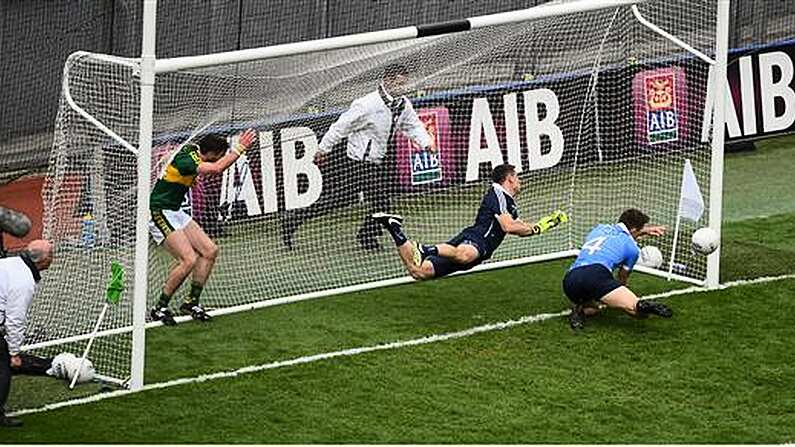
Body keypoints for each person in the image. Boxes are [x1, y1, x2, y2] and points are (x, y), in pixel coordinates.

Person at [281, 63, 433, 251]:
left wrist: (426, 143)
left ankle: (293, 221)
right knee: (381, 201)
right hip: (358, 162)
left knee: (342, 199)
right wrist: (323, 149)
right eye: (398, 83)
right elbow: (341, 126)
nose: (402, 88)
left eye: (404, 84)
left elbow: (413, 126)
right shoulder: (367, 104)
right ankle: (366, 236)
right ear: (387, 80)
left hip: (378, 160)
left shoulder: (403, 104)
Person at [373, 164, 568, 280]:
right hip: (477, 240)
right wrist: (537, 226)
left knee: (419, 272)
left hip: (476, 247)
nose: (519, 181)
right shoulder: (498, 195)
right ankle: (425, 249)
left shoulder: (507, 201)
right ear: (509, 178)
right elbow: (508, 226)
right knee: (464, 255)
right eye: (517, 177)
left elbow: (518, 226)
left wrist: (541, 226)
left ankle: (394, 227)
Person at [149, 129, 257, 325]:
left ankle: (191, 302)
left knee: (209, 250)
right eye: (219, 156)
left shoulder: (192, 151)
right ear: (212, 153)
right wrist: (241, 148)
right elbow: (216, 169)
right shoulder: (189, 160)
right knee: (188, 259)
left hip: (176, 210)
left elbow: (180, 168)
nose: (220, 159)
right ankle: (160, 307)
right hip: (160, 211)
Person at [563, 208, 672, 330]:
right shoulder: (632, 249)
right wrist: (618, 292)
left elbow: (621, 233)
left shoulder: (600, 228)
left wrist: (644, 231)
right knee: (638, 312)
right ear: (635, 229)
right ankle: (640, 305)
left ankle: (578, 310)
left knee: (592, 309)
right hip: (596, 275)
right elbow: (622, 278)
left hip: (570, 279)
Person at [0, 239, 54, 427]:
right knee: (3, 366)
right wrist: (14, 352)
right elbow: (15, 320)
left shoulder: (11, 263)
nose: (53, 259)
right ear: (43, 261)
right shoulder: (24, 282)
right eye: (51, 255)